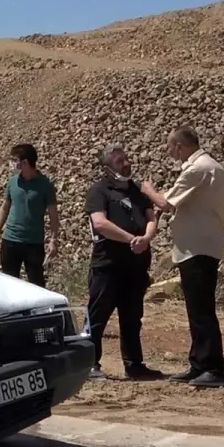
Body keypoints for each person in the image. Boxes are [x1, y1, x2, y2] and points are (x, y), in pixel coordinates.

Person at [139, 126, 224, 388]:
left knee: (201, 310)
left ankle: (214, 367)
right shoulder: (210, 167)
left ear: (180, 145)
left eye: (170, 147)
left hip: (198, 249)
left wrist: (148, 190)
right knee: (197, 309)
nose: (169, 152)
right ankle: (199, 363)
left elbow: (166, 202)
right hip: (198, 247)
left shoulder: (198, 169)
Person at [84, 144, 164, 381]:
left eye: (127, 159)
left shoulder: (137, 191)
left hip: (135, 265)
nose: (126, 164)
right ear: (107, 168)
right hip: (108, 264)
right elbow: (100, 223)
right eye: (120, 162)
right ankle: (89, 363)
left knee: (132, 316)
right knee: (97, 316)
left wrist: (147, 238)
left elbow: (151, 217)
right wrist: (131, 239)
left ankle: (134, 365)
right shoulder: (99, 191)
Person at [0, 144, 59, 287]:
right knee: (9, 282)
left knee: (36, 283)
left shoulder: (45, 185)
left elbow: (53, 215)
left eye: (14, 160)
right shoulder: (12, 182)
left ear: (25, 162)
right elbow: (5, 207)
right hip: (10, 240)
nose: (11, 163)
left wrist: (53, 240)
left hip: (33, 242)